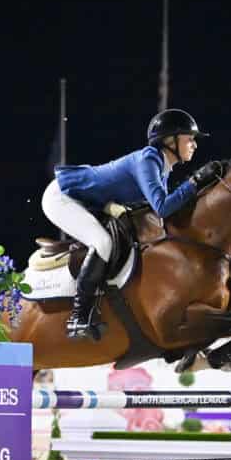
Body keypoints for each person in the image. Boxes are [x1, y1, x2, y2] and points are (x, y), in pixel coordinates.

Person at [42, 108, 220, 339]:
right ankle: (79, 316)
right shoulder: (148, 159)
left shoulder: (161, 168)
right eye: (190, 139)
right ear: (170, 140)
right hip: (62, 196)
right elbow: (163, 207)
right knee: (103, 243)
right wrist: (195, 182)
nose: (194, 145)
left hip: (89, 202)